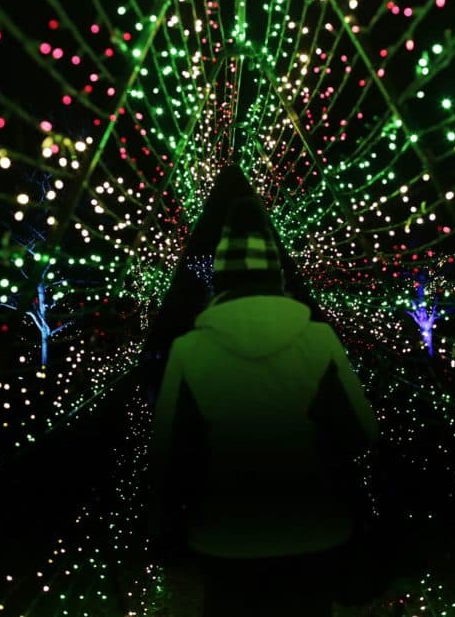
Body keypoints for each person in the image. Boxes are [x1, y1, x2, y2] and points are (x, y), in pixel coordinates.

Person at [147, 195, 379, 616]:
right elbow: (362, 434)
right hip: (314, 527)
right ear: (277, 276)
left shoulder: (188, 349)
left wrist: (170, 528)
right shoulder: (319, 340)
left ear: (222, 280)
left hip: (224, 534)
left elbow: (168, 451)